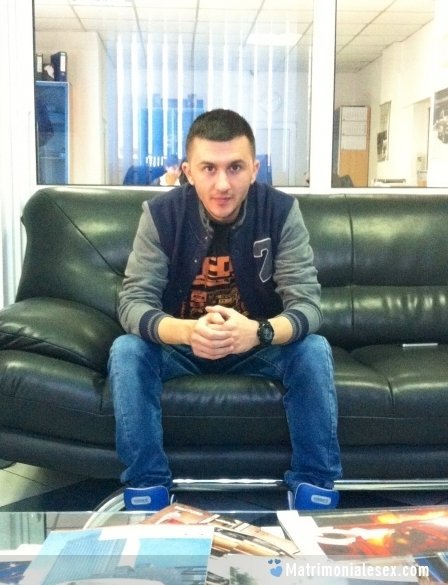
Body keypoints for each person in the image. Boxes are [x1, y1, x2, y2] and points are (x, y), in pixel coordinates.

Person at [108, 108, 342, 512]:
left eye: (235, 167)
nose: (222, 184)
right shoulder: (160, 215)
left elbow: (307, 305)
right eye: (209, 168)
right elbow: (133, 303)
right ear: (188, 172)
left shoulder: (281, 212)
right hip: (182, 347)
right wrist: (187, 331)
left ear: (254, 169)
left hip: (255, 346)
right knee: (126, 351)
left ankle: (314, 486)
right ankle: (147, 487)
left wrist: (258, 332)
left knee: (313, 349)